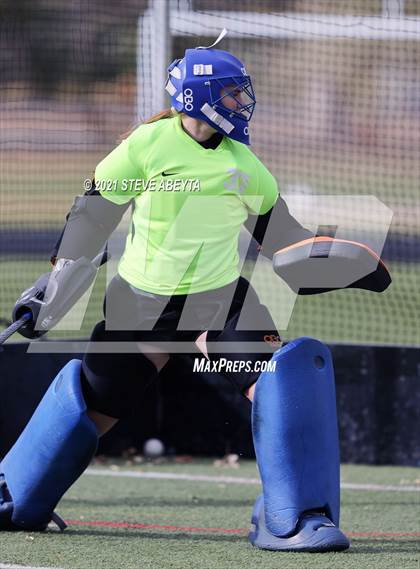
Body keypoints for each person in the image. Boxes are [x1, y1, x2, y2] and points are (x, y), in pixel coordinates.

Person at [3, 35, 389, 551]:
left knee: (280, 378)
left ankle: (295, 518)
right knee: (96, 403)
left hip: (219, 302)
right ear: (197, 96)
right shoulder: (144, 147)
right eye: (232, 95)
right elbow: (91, 219)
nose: (242, 105)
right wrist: (52, 288)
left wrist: (347, 267)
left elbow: (285, 242)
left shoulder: (243, 163)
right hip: (141, 306)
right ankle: (15, 497)